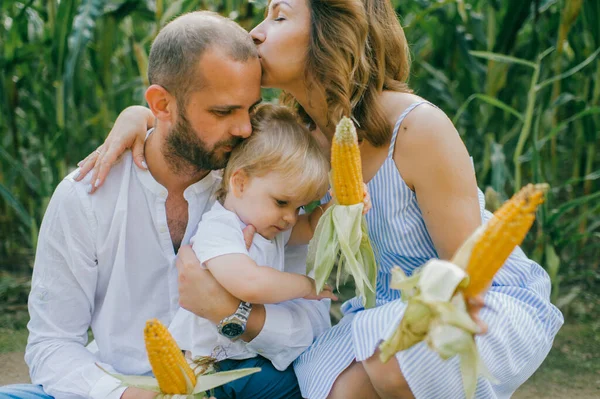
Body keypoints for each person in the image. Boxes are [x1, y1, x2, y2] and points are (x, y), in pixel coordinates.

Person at [75, 1, 564, 398]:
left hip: (477, 300)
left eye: (279, 16)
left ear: (330, 34)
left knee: (392, 362)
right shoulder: (301, 141)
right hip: (382, 314)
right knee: (334, 390)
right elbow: (194, 123)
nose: (255, 32)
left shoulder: (416, 129)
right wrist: (136, 115)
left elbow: (468, 274)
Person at [0, 11, 331, 399]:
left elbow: (311, 326)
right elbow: (51, 344)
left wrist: (234, 315)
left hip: (232, 381)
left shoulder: (259, 185)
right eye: (223, 112)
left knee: (309, 381)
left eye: (250, 109)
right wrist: (126, 396)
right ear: (162, 104)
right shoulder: (86, 197)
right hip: (122, 385)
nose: (244, 129)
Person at [169, 103, 357, 363]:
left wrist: (344, 204)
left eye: (299, 206)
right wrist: (306, 286)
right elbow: (251, 284)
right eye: (281, 202)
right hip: (211, 363)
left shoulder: (270, 229)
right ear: (240, 183)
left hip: (245, 354)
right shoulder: (220, 228)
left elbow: (314, 226)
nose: (291, 217)